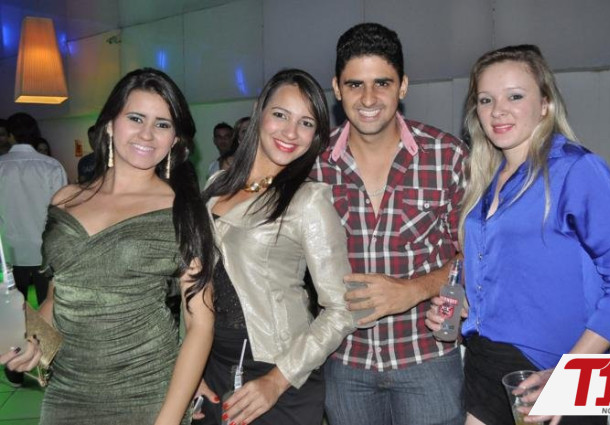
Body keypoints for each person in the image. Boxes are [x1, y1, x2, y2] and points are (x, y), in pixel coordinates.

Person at [426, 44, 610, 425]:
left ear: (545, 104)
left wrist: (570, 377)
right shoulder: (485, 181)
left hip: (564, 368)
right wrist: (469, 306)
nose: (498, 110)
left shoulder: (576, 169)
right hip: (486, 360)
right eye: (486, 99)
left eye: (515, 96)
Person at [0, 68, 216, 425]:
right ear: (110, 125)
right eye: (136, 118)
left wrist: (168, 420)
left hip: (147, 393)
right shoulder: (66, 199)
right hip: (67, 392)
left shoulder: (184, 209)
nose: (147, 133)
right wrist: (33, 341)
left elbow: (200, 326)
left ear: (175, 139)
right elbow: (57, 296)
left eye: (162, 124)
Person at [311, 23, 468, 425]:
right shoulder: (313, 165)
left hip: (427, 358)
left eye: (382, 83)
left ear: (403, 86)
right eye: (355, 84)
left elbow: (476, 258)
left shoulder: (446, 156)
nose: (368, 99)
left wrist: (413, 290)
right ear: (337, 88)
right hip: (343, 361)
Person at [195, 69, 356, 425]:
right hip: (212, 365)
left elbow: (342, 308)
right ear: (259, 111)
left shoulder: (307, 200)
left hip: (276, 373)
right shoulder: (217, 184)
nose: (290, 132)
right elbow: (193, 281)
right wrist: (192, 366)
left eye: (306, 123)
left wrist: (277, 380)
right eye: (281, 114)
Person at [0, 112, 67, 387]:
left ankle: (15, 372)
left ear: (10, 135)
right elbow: (63, 213)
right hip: (45, 252)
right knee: (47, 314)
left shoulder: (1, 166)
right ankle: (47, 369)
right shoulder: (51, 166)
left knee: (13, 318)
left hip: (10, 254)